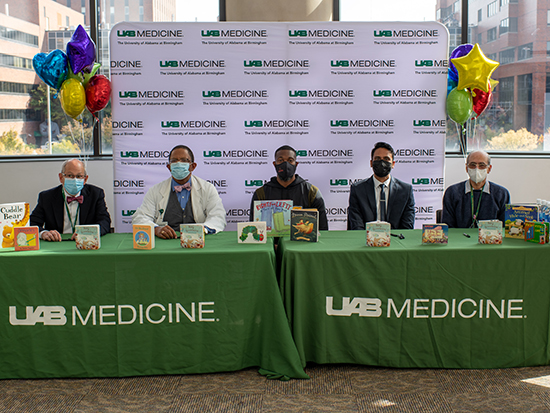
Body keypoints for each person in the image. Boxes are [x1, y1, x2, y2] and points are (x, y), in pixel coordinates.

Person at [132, 145, 226, 238]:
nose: (178, 163)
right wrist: (156, 229)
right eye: (174, 161)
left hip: (198, 242)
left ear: (193, 166)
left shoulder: (208, 188)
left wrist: (204, 229)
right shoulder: (155, 191)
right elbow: (140, 217)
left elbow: (217, 217)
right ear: (169, 167)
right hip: (165, 243)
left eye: (184, 160)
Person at [249, 145, 329, 230]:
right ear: (274, 164)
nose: (286, 164)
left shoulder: (311, 192)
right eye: (280, 160)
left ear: (296, 164)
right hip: (271, 243)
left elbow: (322, 228)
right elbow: (254, 228)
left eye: (290, 160)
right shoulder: (261, 193)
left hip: (302, 242)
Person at [30, 158, 111, 241]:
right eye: (70, 175)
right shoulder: (47, 197)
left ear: (85, 179)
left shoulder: (96, 194)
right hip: (56, 243)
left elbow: (104, 222)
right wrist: (44, 233)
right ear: (61, 177)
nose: (75, 180)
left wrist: (90, 233)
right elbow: (32, 223)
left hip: (85, 243)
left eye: (79, 176)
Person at [348, 141, 415, 230]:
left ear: (393, 164)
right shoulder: (358, 190)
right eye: (378, 159)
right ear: (371, 163)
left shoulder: (405, 190)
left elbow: (407, 226)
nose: (382, 163)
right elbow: (357, 225)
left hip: (396, 241)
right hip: (365, 241)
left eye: (386, 159)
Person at [442, 150, 510, 228]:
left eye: (482, 165)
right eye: (472, 165)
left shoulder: (502, 194)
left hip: (490, 239)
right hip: (460, 238)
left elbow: (505, 228)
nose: (476, 169)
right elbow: (448, 227)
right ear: (466, 168)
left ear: (489, 169)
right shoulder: (452, 192)